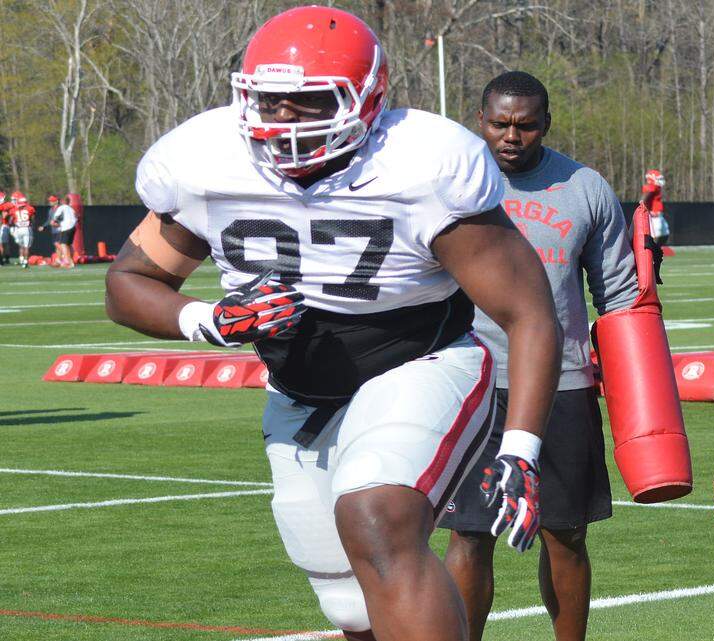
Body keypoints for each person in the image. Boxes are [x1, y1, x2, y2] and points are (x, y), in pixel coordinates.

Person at [104, 7, 562, 641]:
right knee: (347, 602)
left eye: (309, 100)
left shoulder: (421, 162)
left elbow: (529, 311)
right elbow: (129, 284)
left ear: (367, 100)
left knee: (378, 516)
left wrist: (521, 448)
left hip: (419, 358)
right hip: (299, 383)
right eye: (269, 100)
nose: (282, 119)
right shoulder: (205, 160)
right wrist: (209, 318)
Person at [440, 71, 638, 641]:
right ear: (481, 120)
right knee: (469, 533)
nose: (511, 136)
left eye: (525, 125)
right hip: (469, 382)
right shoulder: (448, 183)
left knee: (566, 533)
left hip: (563, 384)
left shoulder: (585, 187)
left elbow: (619, 295)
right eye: (500, 123)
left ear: (546, 124)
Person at [42, 195, 77, 268]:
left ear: (60, 201)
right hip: (73, 228)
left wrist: (54, 223)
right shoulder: (71, 209)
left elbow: (54, 219)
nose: (50, 202)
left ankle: (68, 262)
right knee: (67, 245)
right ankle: (66, 260)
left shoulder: (61, 208)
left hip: (65, 228)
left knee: (63, 245)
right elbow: (76, 217)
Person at [8, 192, 36, 268]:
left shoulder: (14, 210)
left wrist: (15, 223)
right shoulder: (30, 208)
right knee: (26, 246)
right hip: (26, 228)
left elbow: (10, 221)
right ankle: (25, 262)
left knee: (21, 245)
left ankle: (21, 259)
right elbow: (33, 219)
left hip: (18, 229)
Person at [641, 169, 669, 244]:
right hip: (654, 216)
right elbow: (646, 195)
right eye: (659, 178)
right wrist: (642, 205)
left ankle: (656, 251)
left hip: (659, 215)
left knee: (665, 234)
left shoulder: (657, 187)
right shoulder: (652, 186)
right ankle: (651, 253)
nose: (661, 180)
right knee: (655, 236)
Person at [0, 191, 12, 266]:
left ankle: (2, 260)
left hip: (3, 225)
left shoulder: (4, 206)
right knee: (5, 244)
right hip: (5, 225)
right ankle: (6, 258)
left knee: (2, 244)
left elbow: (4, 216)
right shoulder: (7, 205)